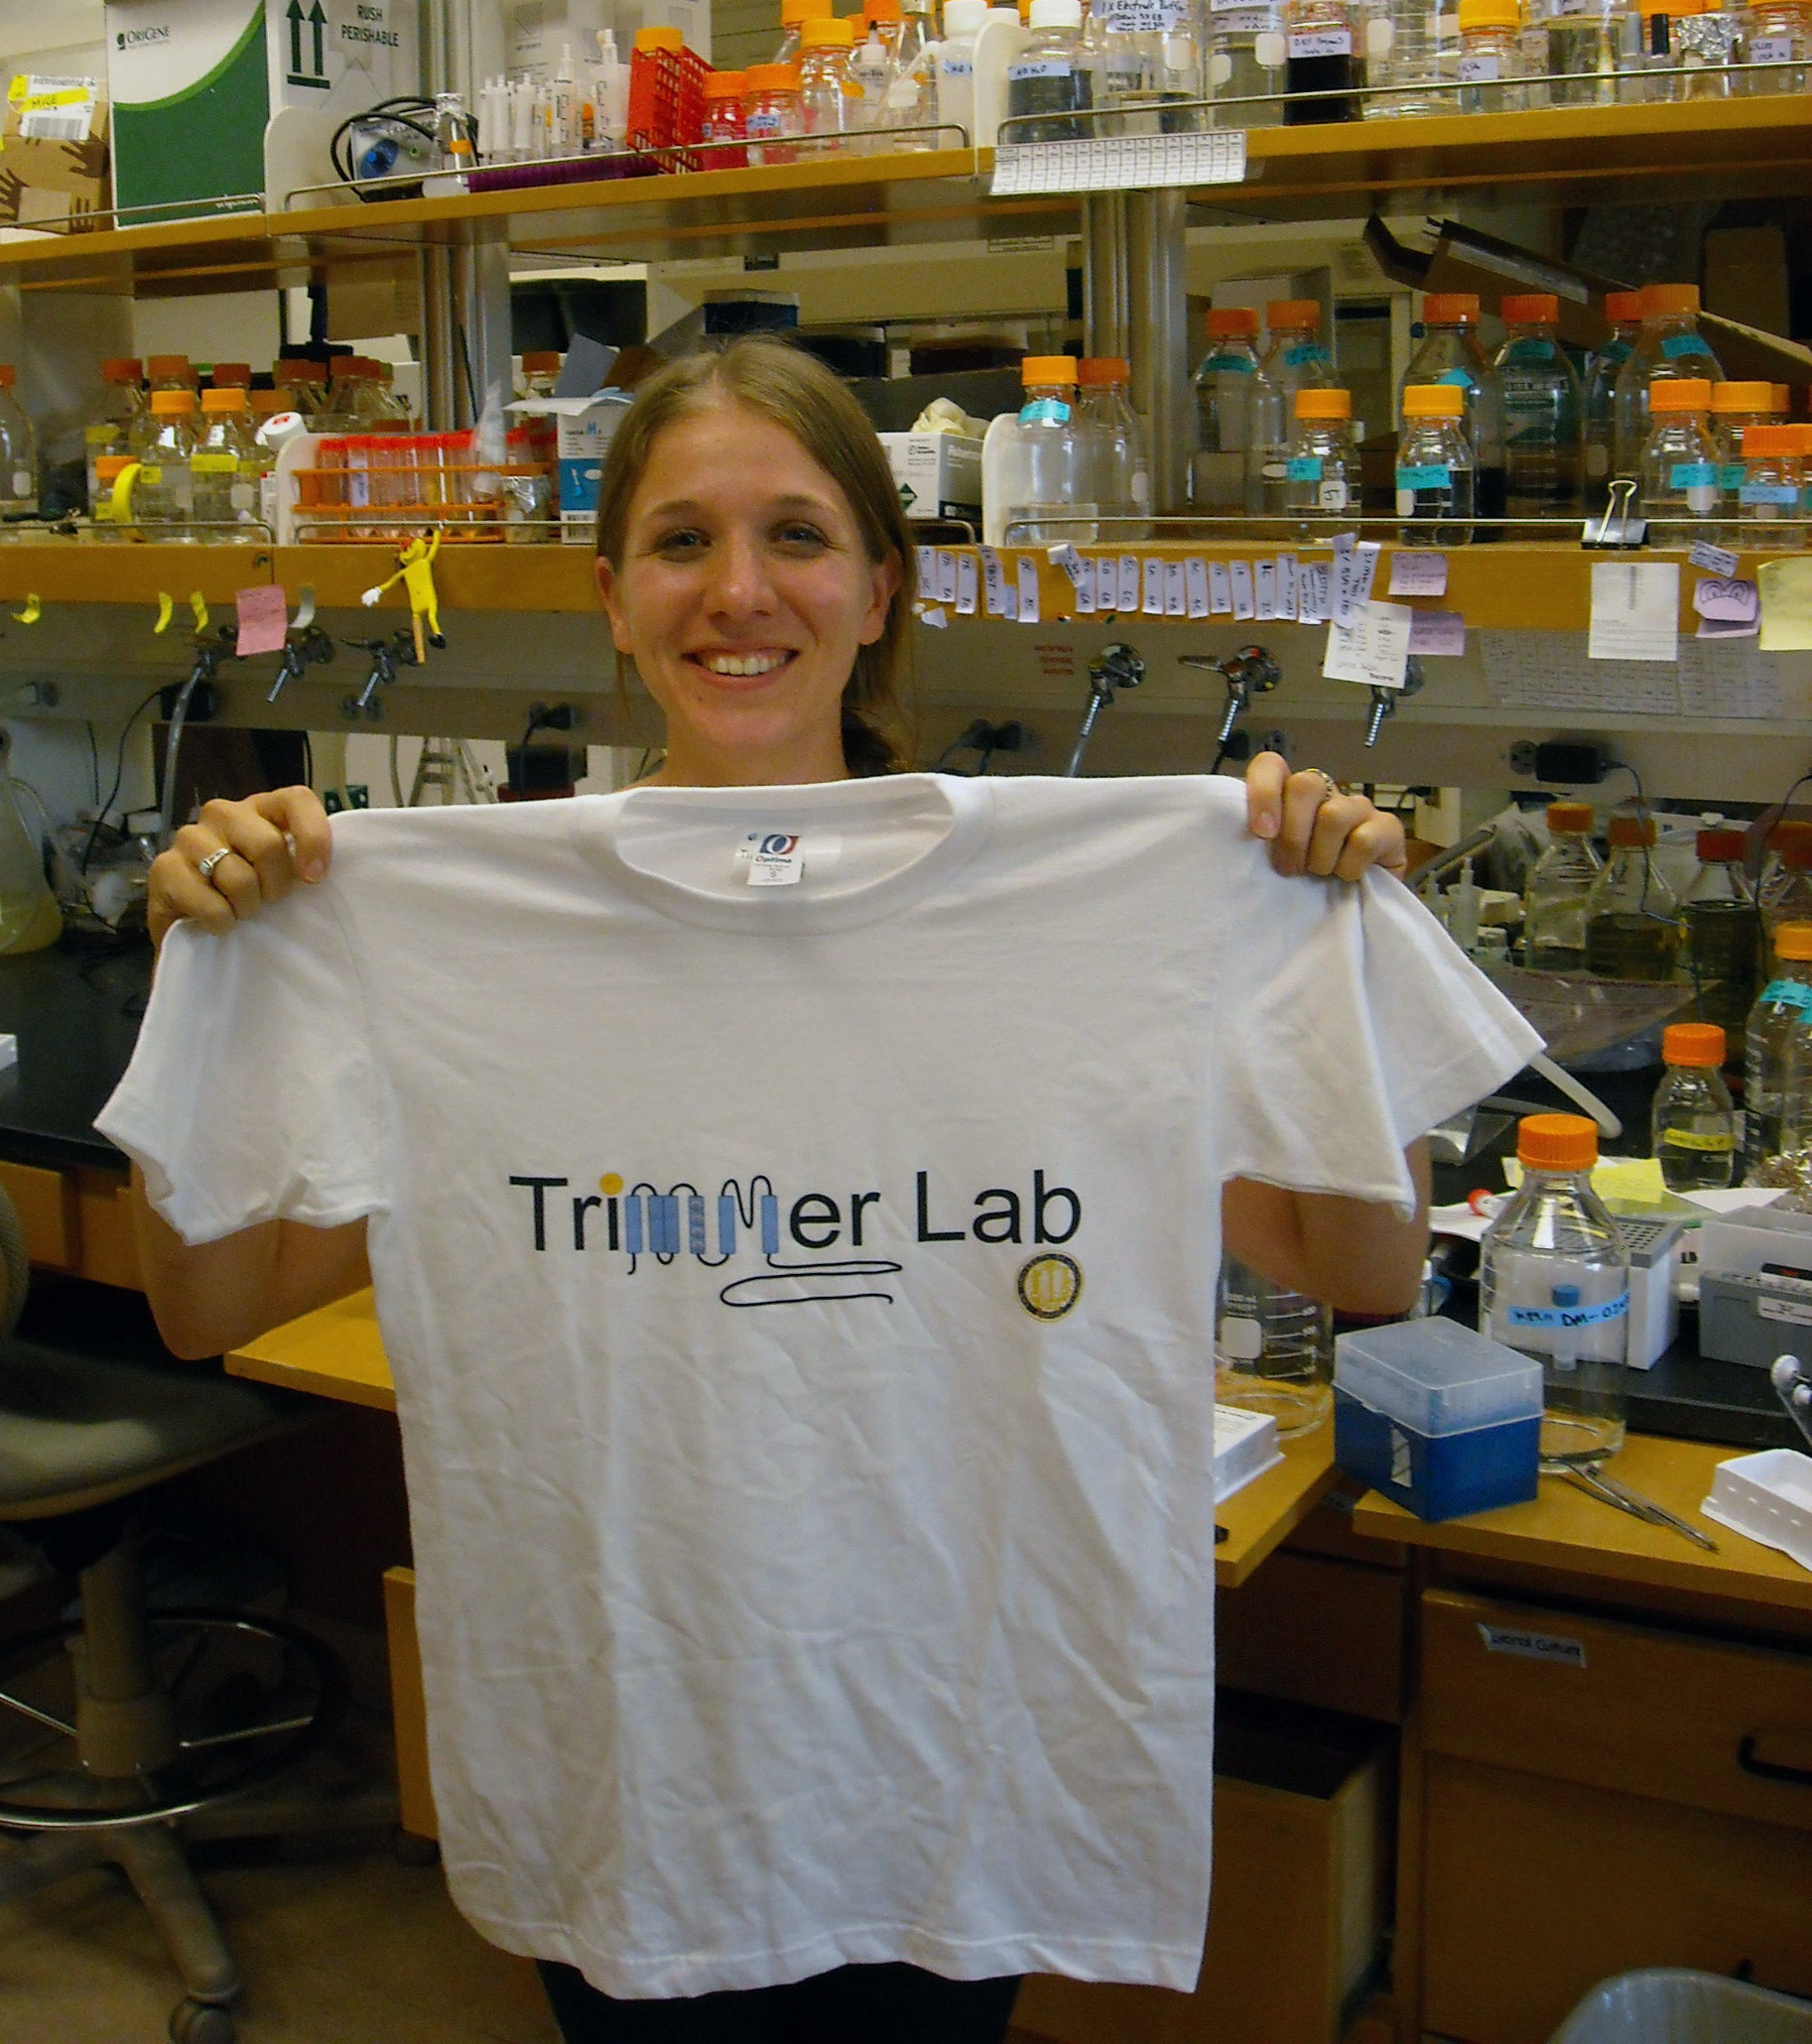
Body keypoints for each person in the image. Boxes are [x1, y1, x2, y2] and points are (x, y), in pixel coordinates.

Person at [130, 340, 1440, 2044]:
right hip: (633, 1764)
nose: (738, 591)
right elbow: (208, 1304)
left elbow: (1364, 1265)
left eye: (798, 536)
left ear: (883, 589)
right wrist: (206, 981)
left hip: (956, 1751)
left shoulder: (1090, 922)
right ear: (612, 598)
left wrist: (1341, 944)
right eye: (681, 541)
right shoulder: (443, 935)